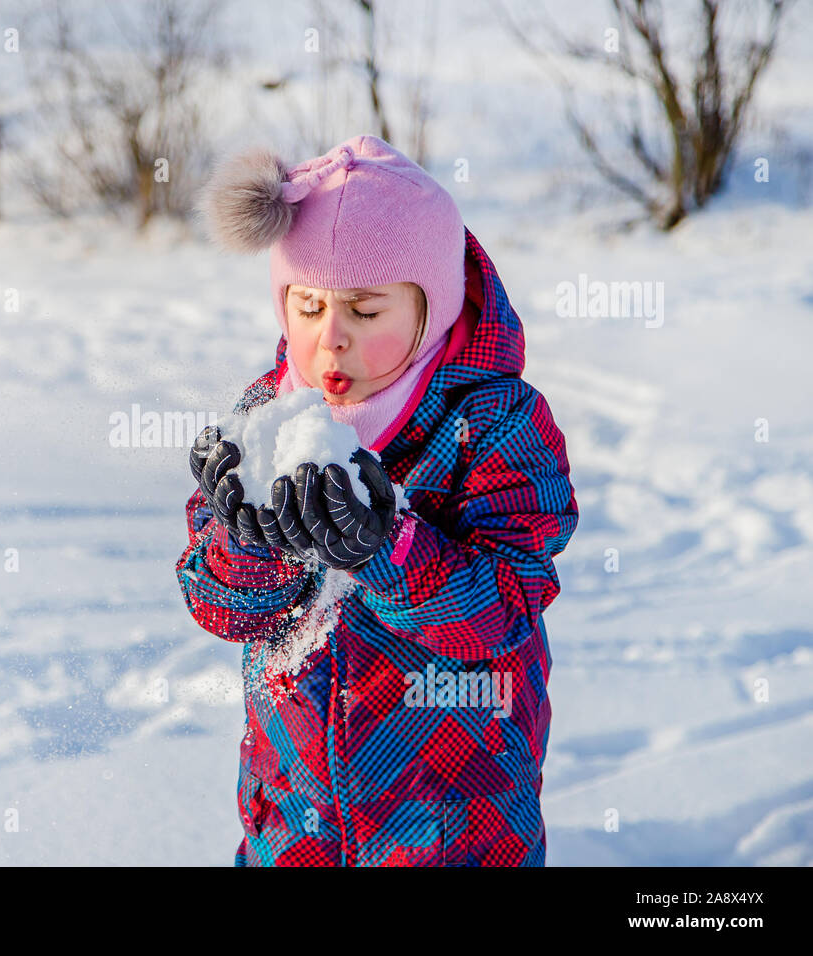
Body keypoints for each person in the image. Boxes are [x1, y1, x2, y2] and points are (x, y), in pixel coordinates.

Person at [176, 134, 580, 866]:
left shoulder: (491, 425)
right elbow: (220, 609)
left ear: (433, 305)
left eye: (365, 313)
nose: (329, 341)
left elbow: (504, 609)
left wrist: (385, 546)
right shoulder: (268, 419)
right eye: (307, 306)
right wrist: (246, 544)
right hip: (293, 816)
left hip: (455, 818)